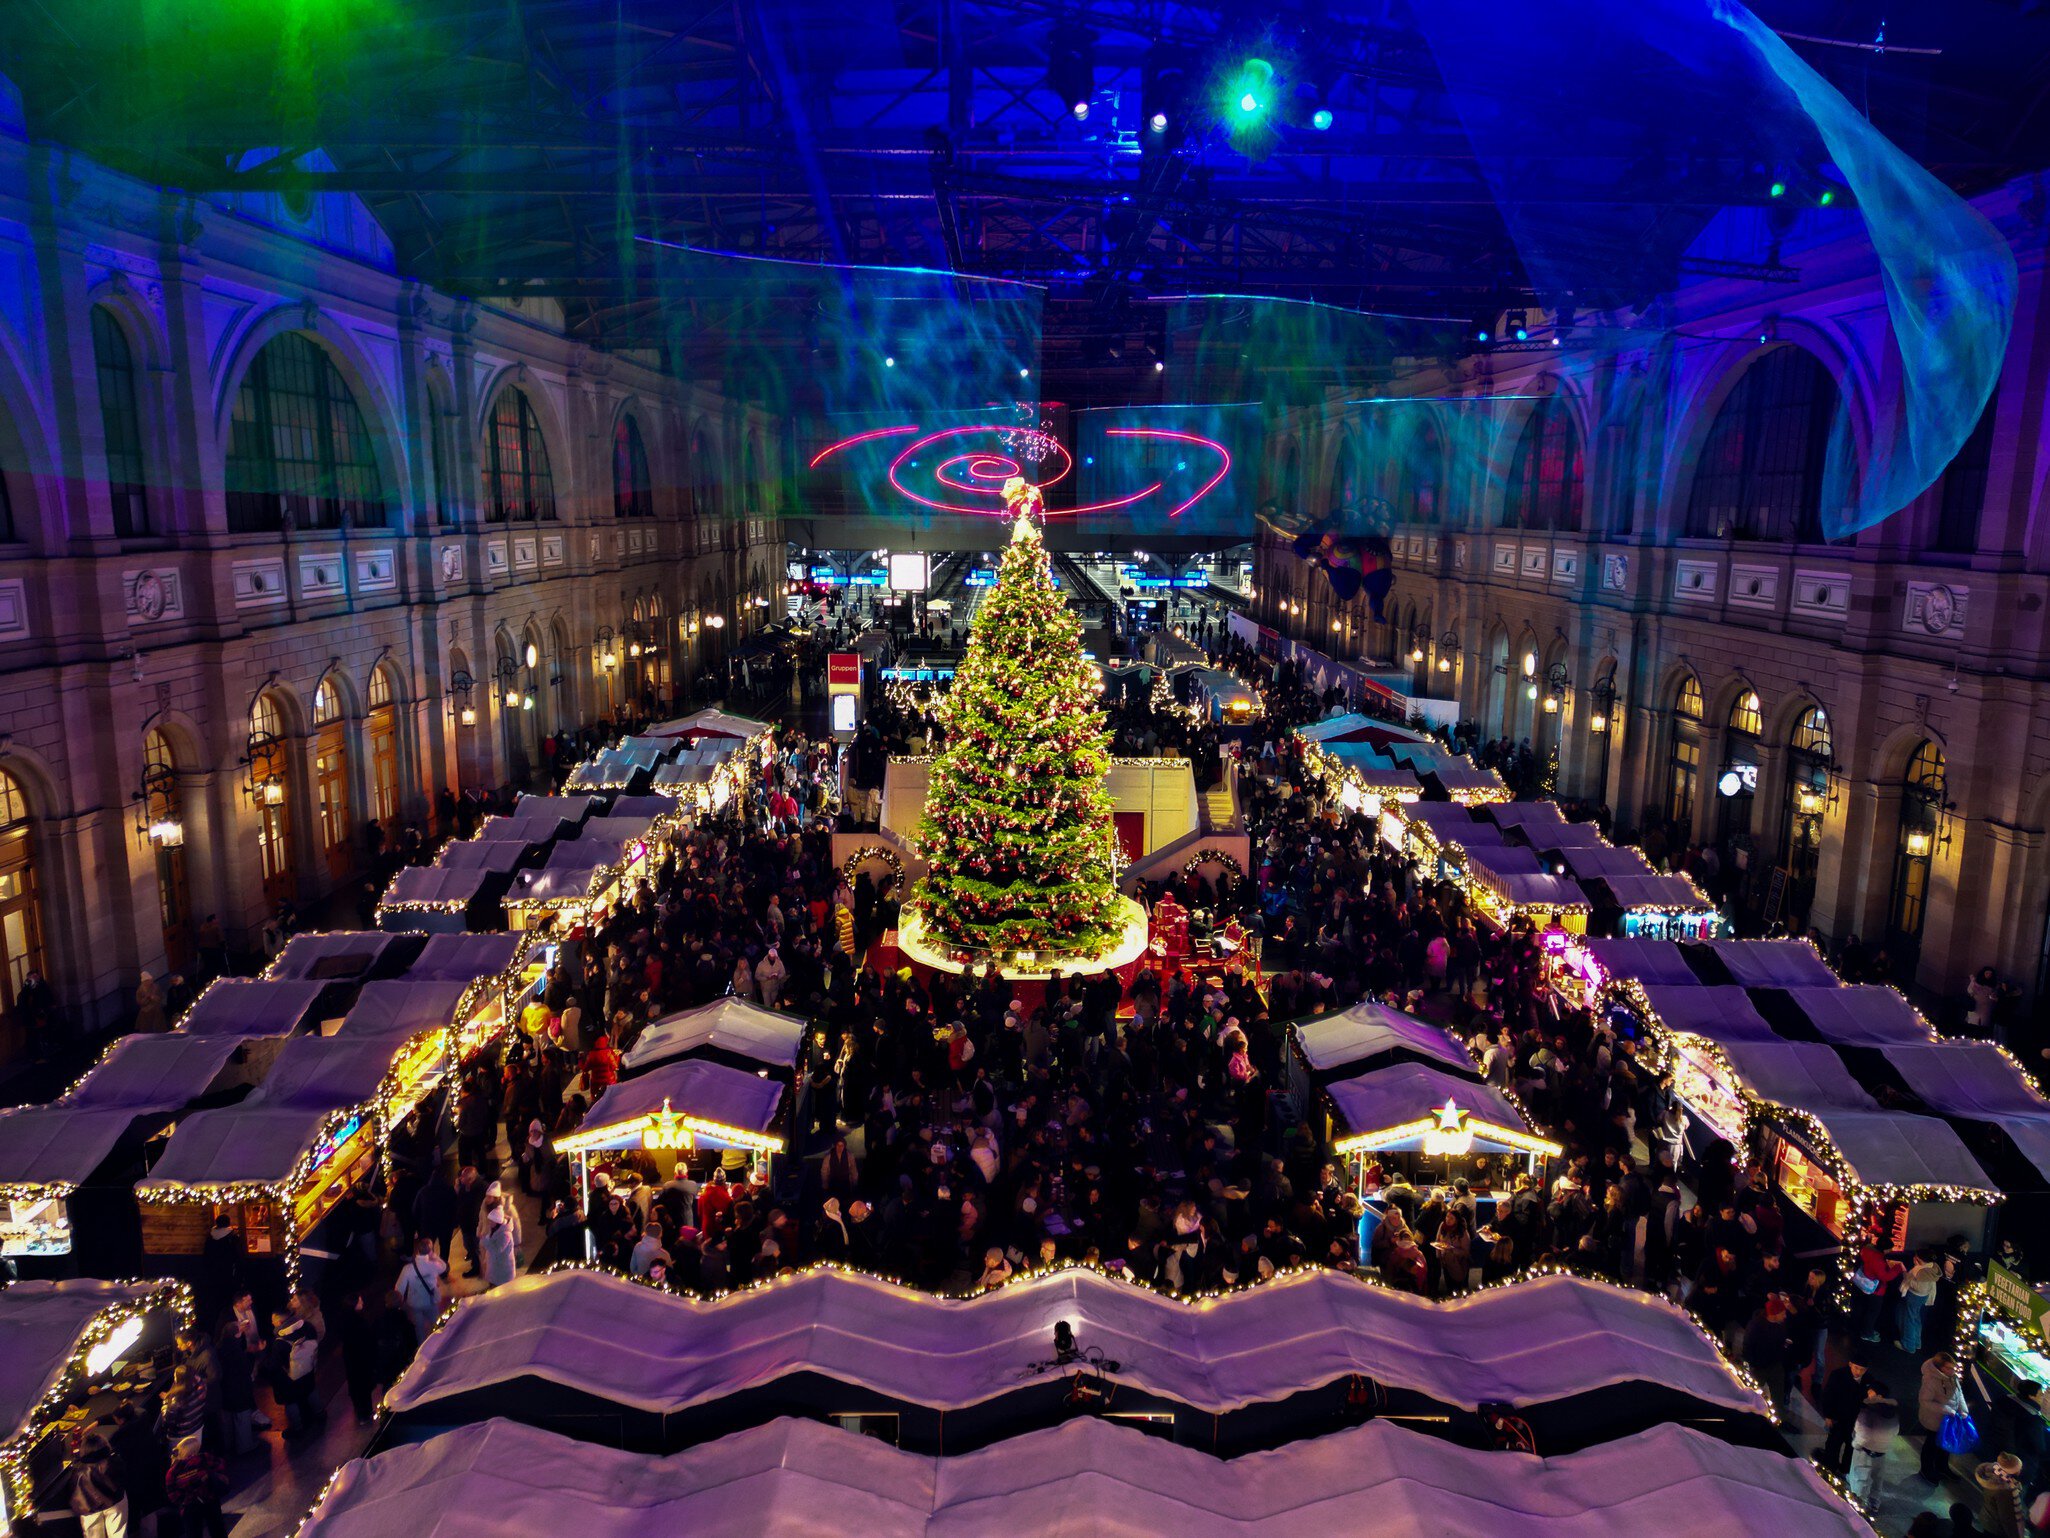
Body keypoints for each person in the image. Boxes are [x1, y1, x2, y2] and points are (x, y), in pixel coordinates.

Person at [1848, 1379, 1901, 1511]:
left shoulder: (1867, 1412)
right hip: (1882, 1451)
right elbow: (1896, 1431)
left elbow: (1863, 1436)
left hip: (1865, 1451)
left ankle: (1857, 1503)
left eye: (1871, 1391)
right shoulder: (1892, 1412)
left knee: (1860, 1478)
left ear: (1878, 1395)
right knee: (1878, 1478)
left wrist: (1856, 1445)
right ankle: (1874, 1502)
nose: (1868, 1393)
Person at [162, 1433, 229, 1538]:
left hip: (189, 1507)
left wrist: (185, 1500)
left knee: (194, 1533)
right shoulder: (203, 1458)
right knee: (217, 1529)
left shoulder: (172, 1471)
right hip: (209, 1499)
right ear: (194, 1450)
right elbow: (221, 1465)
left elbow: (172, 1494)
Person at [1919, 1349, 1970, 1482]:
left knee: (1946, 1445)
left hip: (1949, 1420)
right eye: (1949, 1368)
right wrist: (1947, 1409)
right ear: (1940, 1368)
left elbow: (1959, 1394)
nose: (1953, 1371)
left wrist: (1963, 1410)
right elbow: (1924, 1401)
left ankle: (1942, 1467)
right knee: (1931, 1446)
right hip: (1934, 1421)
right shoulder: (1931, 1380)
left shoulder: (1952, 1377)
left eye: (1954, 1368)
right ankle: (1926, 1470)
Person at [1821, 1352, 1872, 1475]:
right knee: (1833, 1444)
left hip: (1855, 1420)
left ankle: (1845, 1469)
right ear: (1850, 1364)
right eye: (1856, 1368)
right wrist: (1828, 1416)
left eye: (1862, 1369)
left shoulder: (1869, 1380)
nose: (1858, 1372)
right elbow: (1828, 1396)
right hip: (1838, 1418)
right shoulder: (1838, 1375)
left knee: (1852, 1447)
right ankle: (1830, 1468)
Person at [69, 1431, 127, 1538]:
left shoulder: (80, 1471)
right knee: (118, 1533)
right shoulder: (114, 1461)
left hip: (90, 1508)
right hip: (115, 1503)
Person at [396, 1235, 447, 1345]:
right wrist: (434, 1256)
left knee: (419, 1328)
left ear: (417, 1250)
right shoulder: (433, 1265)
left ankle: (421, 1349)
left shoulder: (407, 1269)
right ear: (430, 1251)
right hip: (430, 1301)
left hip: (414, 1303)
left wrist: (400, 1304)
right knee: (436, 1324)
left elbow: (399, 1288)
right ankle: (440, 1345)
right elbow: (444, 1267)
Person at [479, 1198, 518, 1289]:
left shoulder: (505, 1235)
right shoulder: (494, 1229)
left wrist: (485, 1240)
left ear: (497, 1222)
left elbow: (496, 1250)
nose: (489, 1222)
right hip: (495, 1266)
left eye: (491, 1221)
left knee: (501, 1290)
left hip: (502, 1269)